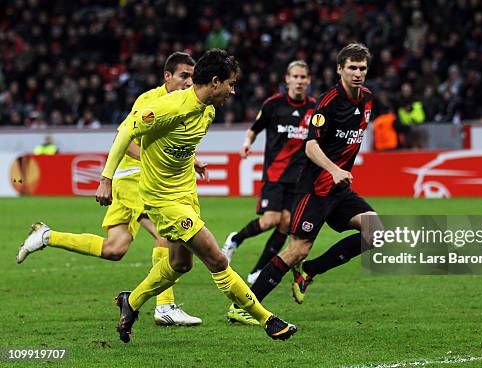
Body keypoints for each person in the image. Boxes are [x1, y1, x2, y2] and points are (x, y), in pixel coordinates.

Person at [94, 49, 296, 342]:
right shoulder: (168, 107)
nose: (233, 90)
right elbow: (124, 132)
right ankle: (267, 319)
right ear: (215, 82)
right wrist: (106, 179)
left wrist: (192, 161)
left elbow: (174, 144)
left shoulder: (209, 110)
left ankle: (132, 301)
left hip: (187, 193)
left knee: (180, 265)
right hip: (162, 199)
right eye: (230, 83)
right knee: (216, 259)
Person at [17, 52, 203, 326]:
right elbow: (123, 138)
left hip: (136, 179)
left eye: (192, 76)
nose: (189, 82)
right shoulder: (151, 100)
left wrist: (188, 159)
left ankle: (46, 236)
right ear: (168, 76)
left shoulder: (185, 103)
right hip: (134, 178)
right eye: (183, 76)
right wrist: (132, 167)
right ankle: (165, 306)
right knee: (168, 234)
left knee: (115, 249)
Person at [231, 43, 382, 322]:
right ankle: (243, 306)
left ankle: (309, 271)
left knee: (377, 231)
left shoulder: (368, 99)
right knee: (297, 249)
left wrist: (338, 174)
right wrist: (335, 169)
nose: (358, 73)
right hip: (315, 188)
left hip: (339, 189)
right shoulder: (327, 102)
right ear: (340, 69)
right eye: (352, 67)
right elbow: (311, 146)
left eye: (362, 68)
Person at [222, 61, 315, 289]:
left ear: (309, 80)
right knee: (271, 220)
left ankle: (258, 271)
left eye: (303, 77)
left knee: (286, 224)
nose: (300, 81)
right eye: (296, 76)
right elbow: (254, 128)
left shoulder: (314, 108)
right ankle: (235, 239)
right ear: (287, 79)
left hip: (298, 178)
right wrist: (246, 143)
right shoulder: (274, 104)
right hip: (275, 173)